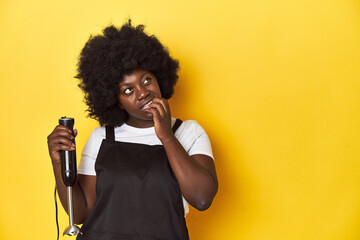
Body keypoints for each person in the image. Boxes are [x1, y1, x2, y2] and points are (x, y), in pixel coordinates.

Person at [47, 20, 218, 240]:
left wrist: (166, 136)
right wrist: (58, 162)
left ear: (159, 77)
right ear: (115, 100)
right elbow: (80, 213)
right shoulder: (102, 138)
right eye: (128, 90)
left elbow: (202, 199)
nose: (143, 92)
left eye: (146, 80)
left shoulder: (188, 132)